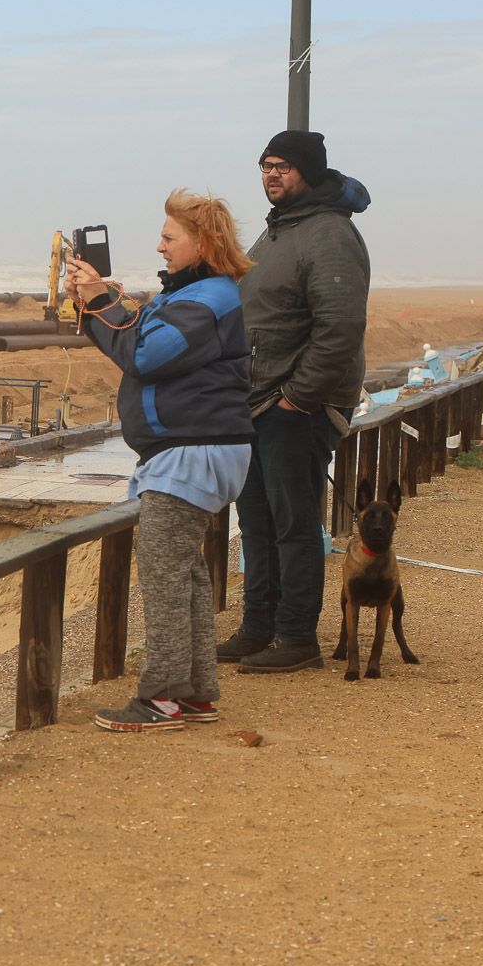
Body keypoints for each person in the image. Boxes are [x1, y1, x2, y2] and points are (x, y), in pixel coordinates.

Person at [66, 190, 254, 731]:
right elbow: (142, 341)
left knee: (166, 576)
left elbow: (146, 355)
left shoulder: (207, 301)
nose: (160, 246)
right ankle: (194, 694)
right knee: (187, 573)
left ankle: (162, 698)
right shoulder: (201, 295)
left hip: (190, 453)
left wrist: (101, 302)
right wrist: (101, 304)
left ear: (204, 243)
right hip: (196, 449)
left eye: (170, 238)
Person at [217, 130, 372, 674]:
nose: (271, 175)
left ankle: (296, 636)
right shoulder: (279, 231)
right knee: (256, 522)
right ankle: (259, 628)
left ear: (308, 171)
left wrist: (297, 400)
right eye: (265, 166)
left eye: (282, 166)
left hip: (295, 410)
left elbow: (341, 327)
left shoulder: (329, 233)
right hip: (258, 403)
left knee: (294, 524)